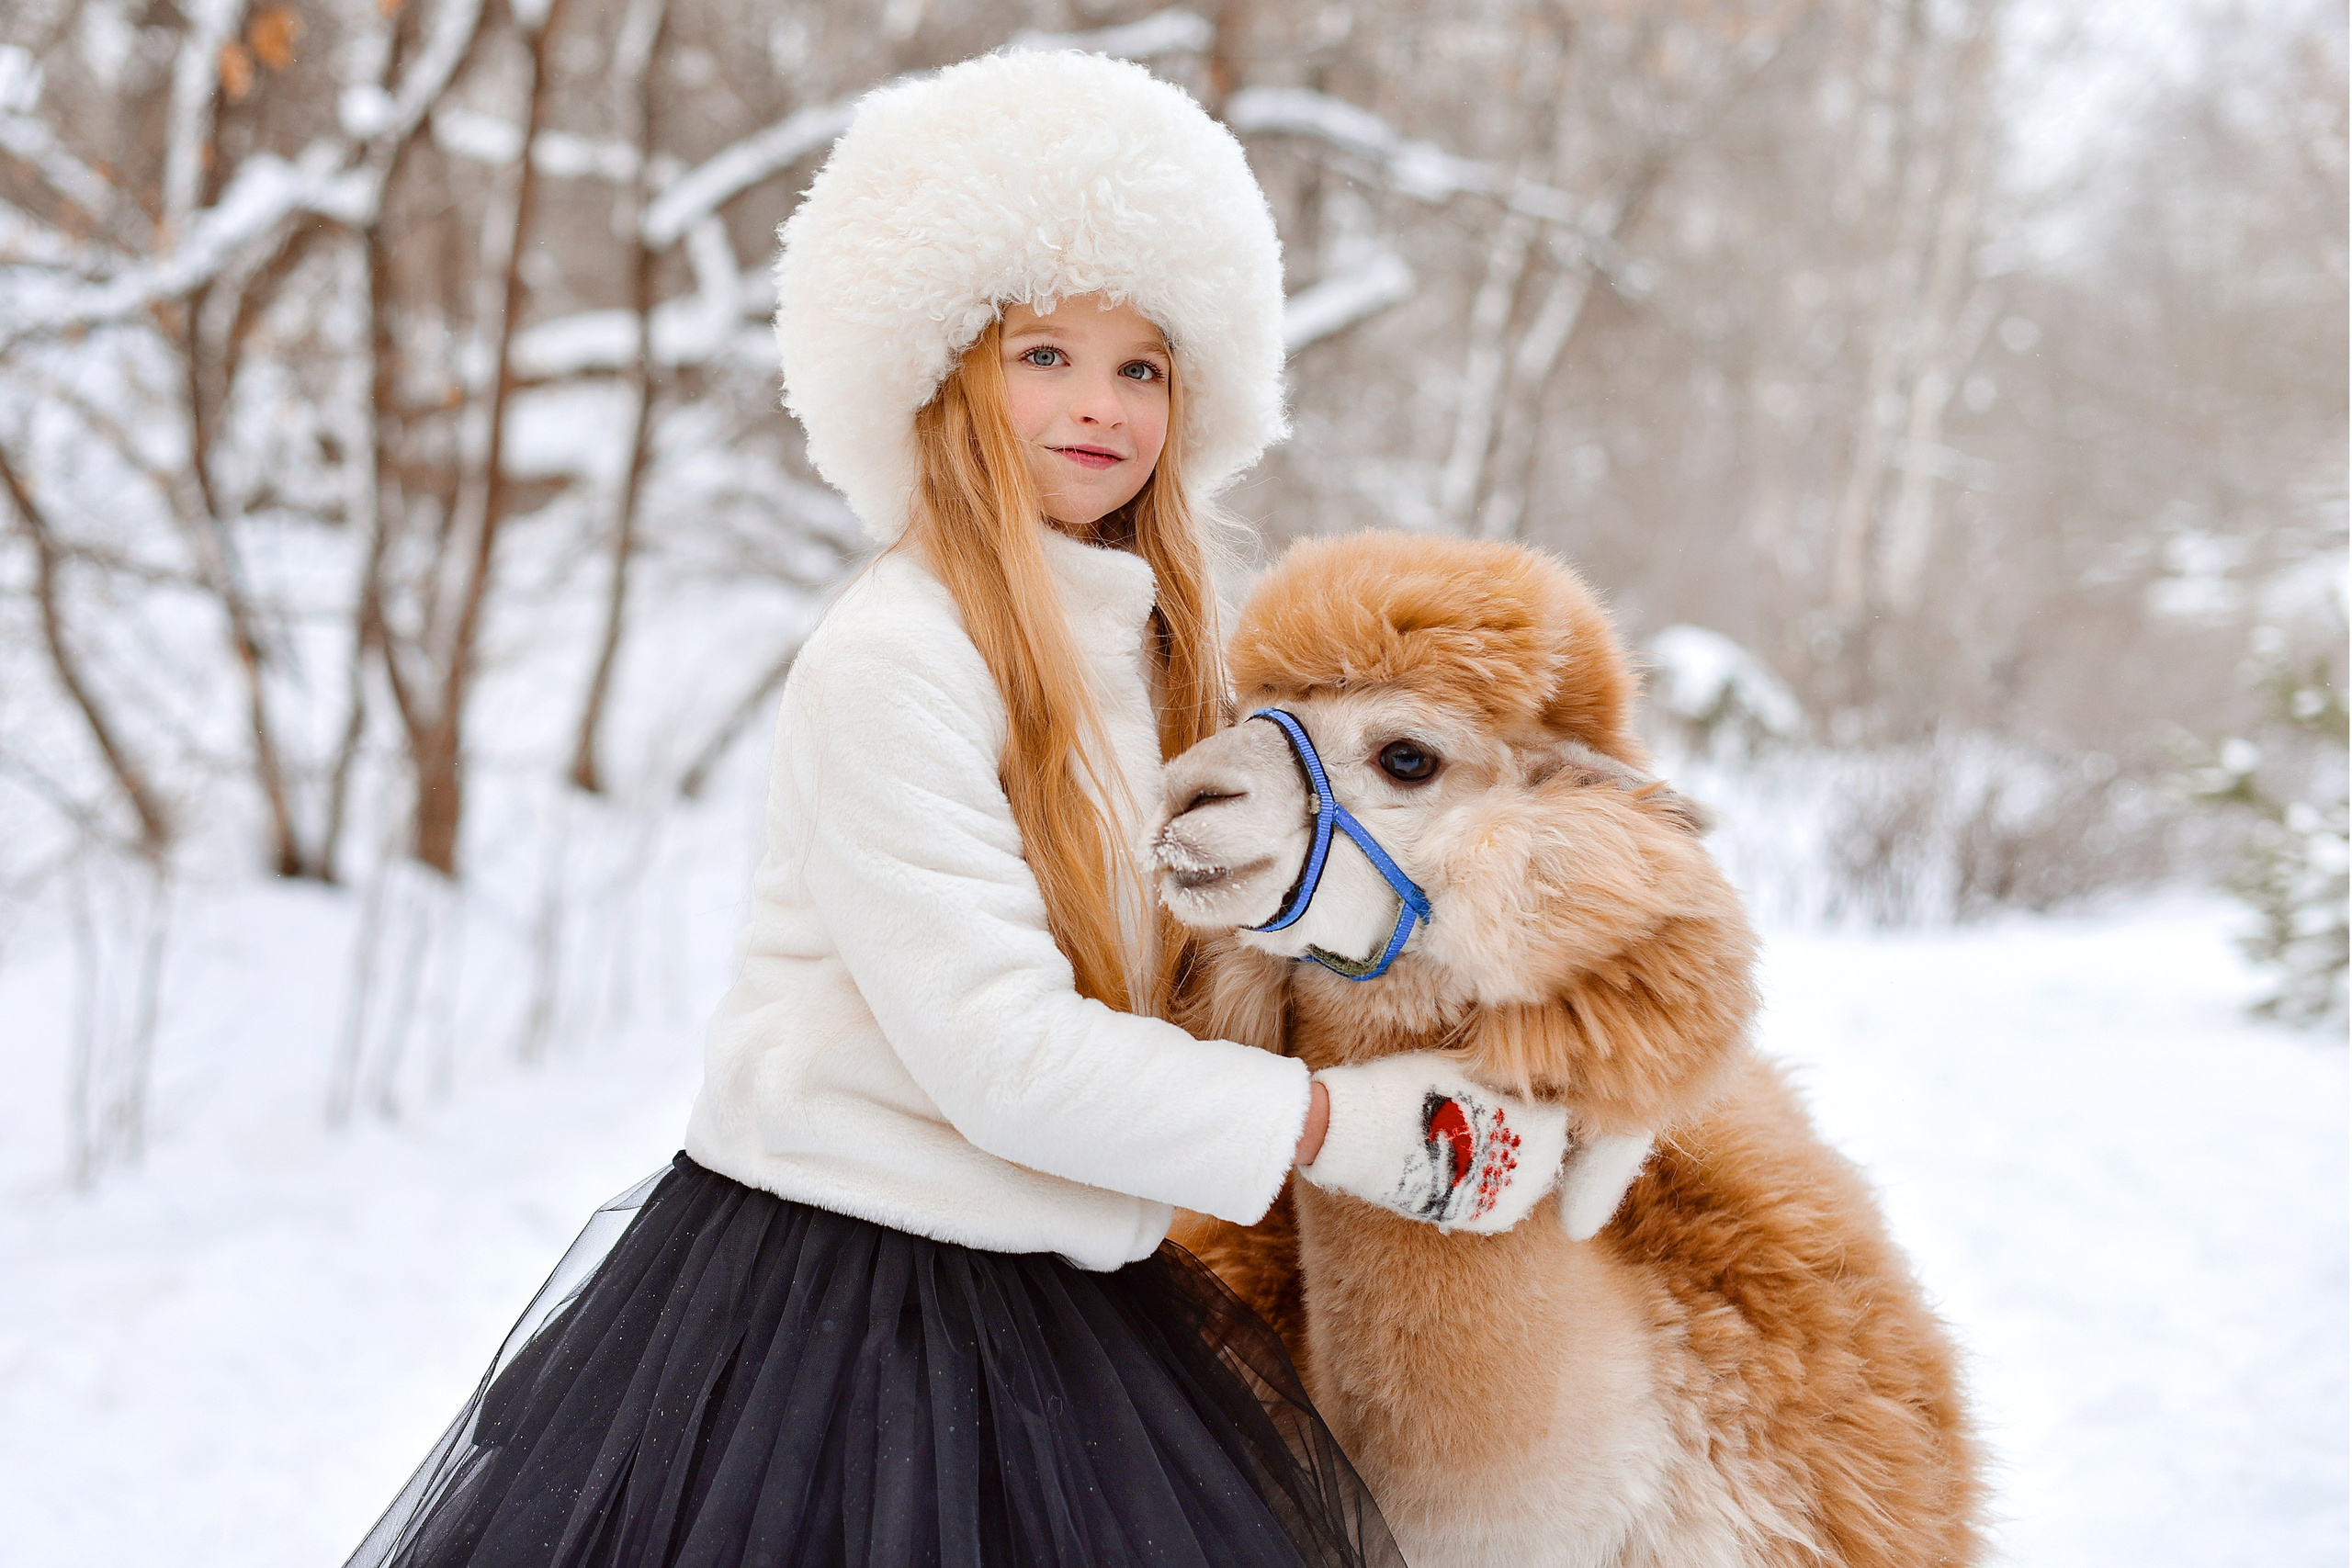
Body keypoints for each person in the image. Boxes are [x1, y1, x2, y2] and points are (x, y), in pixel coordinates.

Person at [347, 49, 1566, 1568]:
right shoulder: (895, 659)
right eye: (1044, 353)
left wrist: (1467, 990)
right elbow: (1003, 1058)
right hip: (842, 1334)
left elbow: (1265, 908)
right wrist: (1348, 1129)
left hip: (1067, 1291)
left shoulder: (1165, 652)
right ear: (946, 371)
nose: (1099, 406)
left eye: (1141, 367)